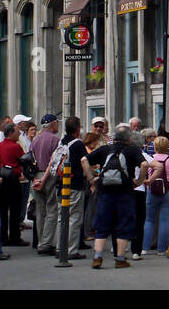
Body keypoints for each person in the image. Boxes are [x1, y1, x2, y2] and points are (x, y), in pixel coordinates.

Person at [86, 129, 143, 268]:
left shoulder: (105, 149)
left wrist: (91, 179)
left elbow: (83, 160)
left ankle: (98, 257)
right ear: (128, 139)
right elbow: (145, 164)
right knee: (124, 224)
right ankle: (120, 259)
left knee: (102, 225)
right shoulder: (132, 150)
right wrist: (139, 181)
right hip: (125, 193)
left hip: (105, 193)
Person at [141, 134, 169, 256]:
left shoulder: (150, 158)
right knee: (164, 220)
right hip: (168, 189)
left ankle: (145, 248)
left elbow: (145, 174)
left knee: (149, 219)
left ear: (155, 146)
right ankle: (162, 249)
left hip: (151, 189)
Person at [30, 113, 62, 255]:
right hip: (48, 176)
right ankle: (46, 243)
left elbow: (29, 160)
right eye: (57, 123)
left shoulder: (35, 140)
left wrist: (34, 179)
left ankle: (41, 241)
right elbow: (53, 162)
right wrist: (44, 179)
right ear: (53, 124)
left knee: (40, 210)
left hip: (36, 175)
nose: (58, 125)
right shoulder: (55, 140)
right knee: (52, 210)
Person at [60, 116, 89, 260]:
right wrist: (91, 178)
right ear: (78, 129)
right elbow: (84, 161)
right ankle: (71, 249)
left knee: (63, 216)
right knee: (75, 217)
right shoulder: (78, 144)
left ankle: (60, 246)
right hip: (76, 183)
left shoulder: (62, 141)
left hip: (63, 183)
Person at [0, 122, 26, 246]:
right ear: (11, 133)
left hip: (2, 178)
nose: (19, 134)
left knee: (2, 210)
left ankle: (3, 236)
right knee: (15, 210)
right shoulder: (16, 147)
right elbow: (23, 160)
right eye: (17, 132)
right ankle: (15, 236)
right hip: (13, 178)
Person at [128, 129, 149, 260]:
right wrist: (144, 180)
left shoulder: (123, 153)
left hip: (125, 190)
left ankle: (118, 247)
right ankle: (136, 250)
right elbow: (157, 166)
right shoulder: (143, 155)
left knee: (123, 218)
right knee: (139, 221)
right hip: (139, 189)